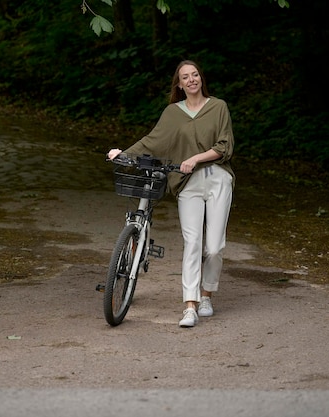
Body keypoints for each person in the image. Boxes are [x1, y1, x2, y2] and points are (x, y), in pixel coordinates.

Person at [107, 60, 235, 328]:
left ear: (201, 78)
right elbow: (153, 141)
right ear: (179, 84)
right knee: (193, 243)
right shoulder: (172, 113)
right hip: (187, 183)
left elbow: (224, 146)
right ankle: (190, 306)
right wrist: (123, 153)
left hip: (217, 179)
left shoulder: (218, 107)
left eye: (195, 75)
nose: (191, 80)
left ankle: (207, 294)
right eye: (185, 77)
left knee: (214, 247)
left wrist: (196, 158)